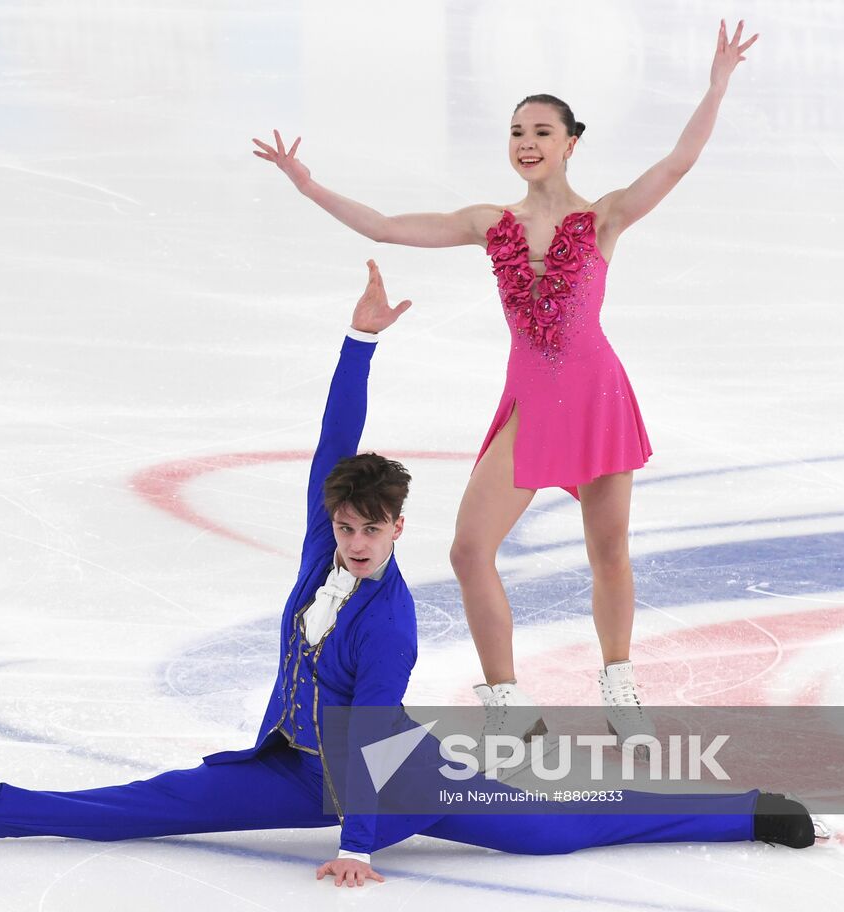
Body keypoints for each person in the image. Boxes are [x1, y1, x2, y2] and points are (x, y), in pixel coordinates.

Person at [0, 261, 819, 887]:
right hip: (290, 766)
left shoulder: (389, 623)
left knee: (553, 830)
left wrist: (359, 846)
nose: (354, 541)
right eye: (344, 526)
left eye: (370, 529)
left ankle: (745, 812)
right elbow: (334, 442)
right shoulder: (322, 553)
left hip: (387, 776)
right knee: (159, 802)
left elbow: (370, 739)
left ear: (398, 529)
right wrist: (360, 341)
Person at [251, 19, 761, 745]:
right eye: (517, 131)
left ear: (570, 142)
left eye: (542, 131)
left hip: (596, 398)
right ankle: (507, 699)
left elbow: (677, 163)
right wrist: (307, 184)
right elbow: (388, 227)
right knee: (468, 549)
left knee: (608, 550)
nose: (526, 142)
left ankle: (618, 683)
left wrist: (717, 84)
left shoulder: (604, 216)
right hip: (531, 405)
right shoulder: (491, 224)